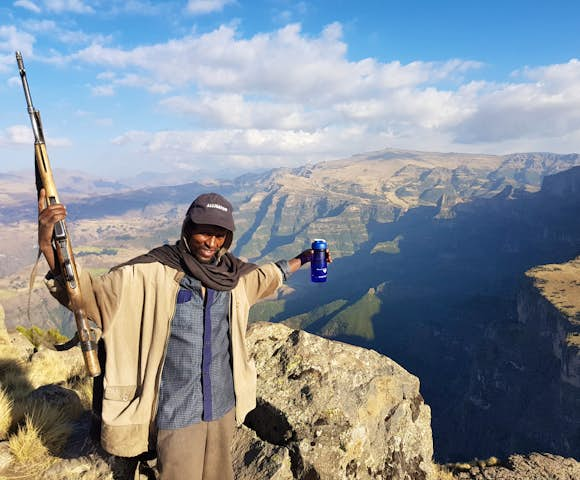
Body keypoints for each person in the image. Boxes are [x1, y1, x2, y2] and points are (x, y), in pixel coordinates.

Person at [37, 189, 331, 480]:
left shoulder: (231, 276)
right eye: (204, 233)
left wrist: (304, 258)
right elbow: (85, 295)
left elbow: (267, 277)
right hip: (177, 410)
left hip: (221, 405)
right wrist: (49, 245)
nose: (211, 243)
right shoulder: (150, 273)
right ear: (187, 229)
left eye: (219, 236)